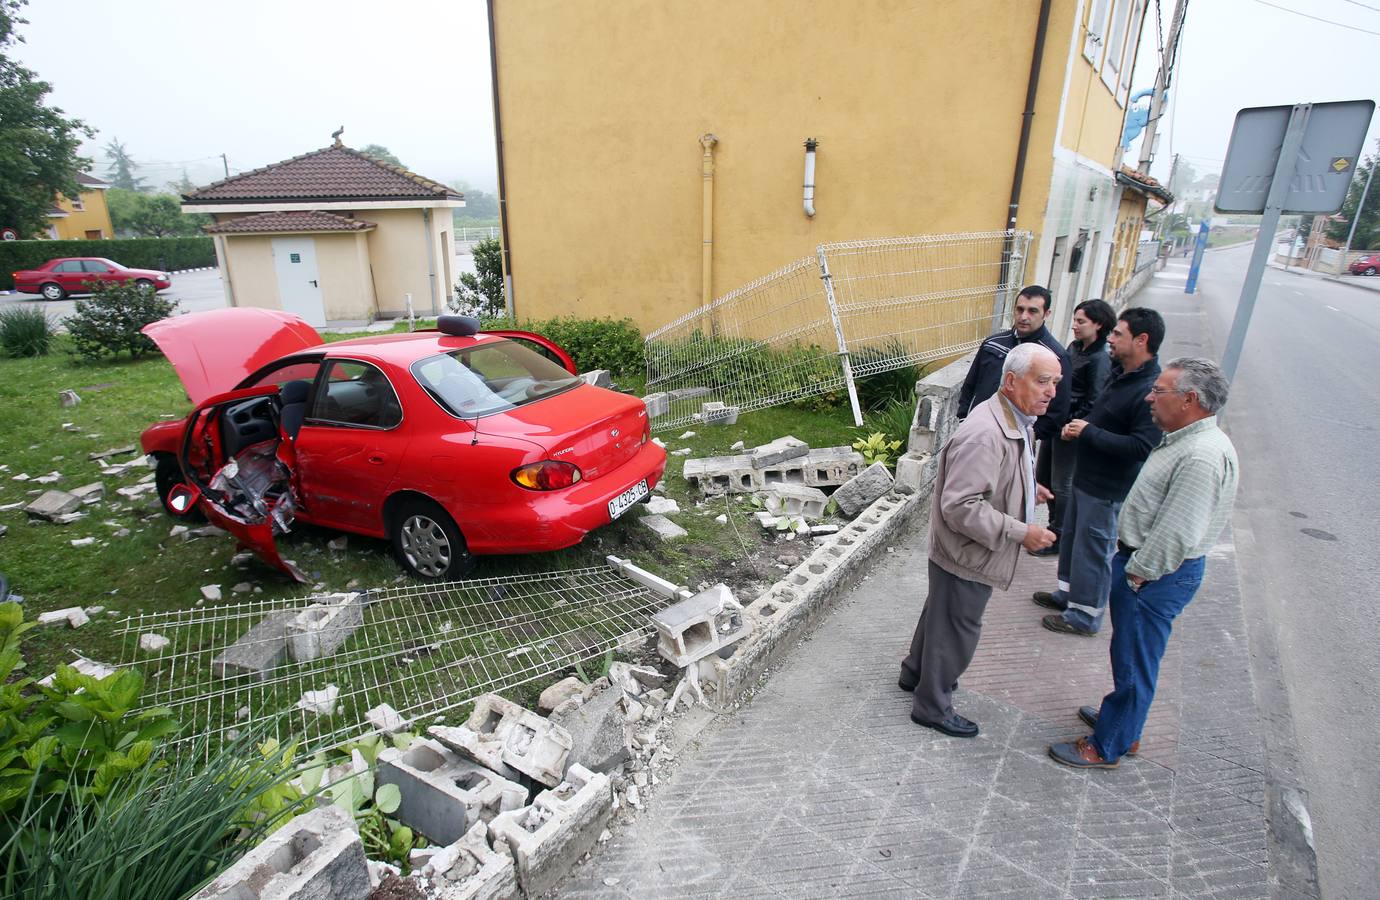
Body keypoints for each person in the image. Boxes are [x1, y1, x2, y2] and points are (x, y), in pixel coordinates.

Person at [1049, 358, 1239, 768]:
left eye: (1161, 391)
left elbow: (1176, 533)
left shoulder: (1200, 456)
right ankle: (1124, 723)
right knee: (1129, 654)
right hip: (1149, 570)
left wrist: (1138, 575)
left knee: (1135, 660)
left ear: (1190, 399)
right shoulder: (1186, 440)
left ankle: (1109, 743)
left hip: (1153, 575)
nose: (1151, 397)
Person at [899, 343, 1059, 737]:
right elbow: (961, 506)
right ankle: (932, 707)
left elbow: (997, 475)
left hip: (967, 549)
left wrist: (1027, 488)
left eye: (1055, 381)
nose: (1051, 391)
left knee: (941, 615)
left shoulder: (1016, 418)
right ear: (1010, 381)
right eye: (1042, 381)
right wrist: (1023, 532)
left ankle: (914, 675)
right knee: (958, 628)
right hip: (968, 551)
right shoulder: (986, 433)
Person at [1034, 307, 1164, 636]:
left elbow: (1140, 447)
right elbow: (1102, 413)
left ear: (1141, 340)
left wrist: (1088, 433)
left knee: (1093, 549)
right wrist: (1082, 425)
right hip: (1086, 478)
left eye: (1118, 333)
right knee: (1075, 542)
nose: (1111, 338)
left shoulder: (1148, 390)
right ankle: (1067, 595)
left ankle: (1085, 616)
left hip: (1107, 490)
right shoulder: (1122, 375)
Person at [1031, 298, 1115, 557]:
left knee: (1062, 483)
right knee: (1044, 477)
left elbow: (1095, 398)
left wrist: (1073, 424)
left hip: (1072, 430)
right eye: (1075, 320)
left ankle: (1058, 535)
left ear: (1098, 325)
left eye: (1081, 322)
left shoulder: (1100, 359)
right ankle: (1053, 526)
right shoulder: (1075, 348)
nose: (1075, 326)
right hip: (1056, 424)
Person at [956, 285, 1071, 449]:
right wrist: (964, 419)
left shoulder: (1056, 357)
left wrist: (1023, 438)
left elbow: (1057, 411)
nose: (1024, 316)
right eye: (1020, 309)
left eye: (1032, 311)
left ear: (1046, 314)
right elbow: (970, 386)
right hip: (973, 432)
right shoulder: (992, 344)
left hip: (1015, 443)